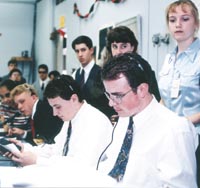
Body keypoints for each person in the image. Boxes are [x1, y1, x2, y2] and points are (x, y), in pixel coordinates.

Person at [97, 53, 198, 187]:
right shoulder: (125, 120)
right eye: (108, 95)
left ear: (142, 90)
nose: (111, 103)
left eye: (117, 96)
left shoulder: (174, 130)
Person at [9, 75, 113, 168]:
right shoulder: (71, 117)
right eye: (53, 107)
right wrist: (25, 149)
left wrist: (37, 161)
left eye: (58, 107)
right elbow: (57, 149)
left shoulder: (95, 121)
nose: (54, 113)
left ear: (73, 99)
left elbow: (82, 166)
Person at [158, 0, 200, 134]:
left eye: (185, 19)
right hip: (171, 134)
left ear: (196, 24)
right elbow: (165, 98)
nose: (178, 24)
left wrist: (183, 123)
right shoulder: (169, 58)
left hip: (194, 135)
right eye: (172, 20)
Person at [106, 25, 161, 102]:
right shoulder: (108, 70)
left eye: (124, 46)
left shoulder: (142, 67)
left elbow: (155, 98)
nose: (118, 52)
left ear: (132, 47)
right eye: (115, 47)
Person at [71, 35, 116, 119]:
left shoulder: (103, 73)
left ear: (91, 50)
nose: (80, 54)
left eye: (83, 50)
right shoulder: (74, 75)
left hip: (102, 120)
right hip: (82, 121)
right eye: (77, 51)